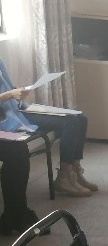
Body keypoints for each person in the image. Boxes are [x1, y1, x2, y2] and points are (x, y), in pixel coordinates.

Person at [0, 57, 97, 200]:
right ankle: (64, 177)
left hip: (17, 110)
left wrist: (16, 90)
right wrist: (9, 95)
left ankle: (74, 172)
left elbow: (6, 87)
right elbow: (6, 95)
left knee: (80, 118)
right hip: (6, 118)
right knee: (71, 123)